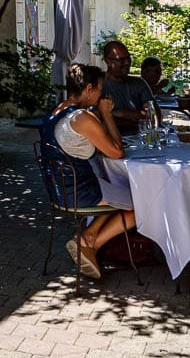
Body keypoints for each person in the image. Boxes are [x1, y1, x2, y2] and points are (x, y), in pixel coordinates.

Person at [38, 63, 137, 280]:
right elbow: (117, 152)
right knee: (140, 205)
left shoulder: (57, 110)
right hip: (81, 193)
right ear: (89, 88)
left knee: (119, 190)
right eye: (100, 89)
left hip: (58, 189)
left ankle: (89, 236)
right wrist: (106, 114)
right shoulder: (82, 118)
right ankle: (88, 243)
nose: (102, 94)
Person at [99, 40, 157, 134]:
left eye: (128, 58)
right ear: (108, 62)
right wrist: (132, 116)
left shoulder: (139, 83)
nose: (127, 63)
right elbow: (97, 119)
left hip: (141, 139)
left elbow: (154, 116)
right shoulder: (98, 85)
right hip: (110, 141)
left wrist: (117, 113)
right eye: (121, 60)